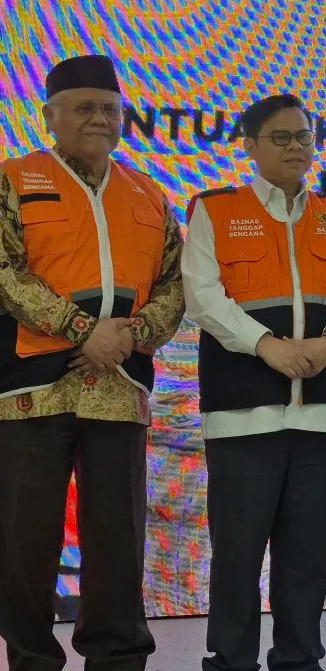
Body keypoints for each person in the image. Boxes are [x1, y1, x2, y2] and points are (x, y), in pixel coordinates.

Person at [0, 54, 184, 671]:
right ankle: (31, 660)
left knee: (118, 538)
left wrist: (129, 337)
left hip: (118, 384)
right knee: (25, 539)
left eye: (109, 108)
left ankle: (117, 659)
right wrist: (82, 330)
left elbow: (173, 284)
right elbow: (4, 272)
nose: (100, 118)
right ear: (50, 115)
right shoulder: (12, 180)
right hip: (31, 388)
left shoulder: (149, 193)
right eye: (84, 108)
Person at [182, 93, 326, 671]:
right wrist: (268, 345)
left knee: (306, 556)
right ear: (251, 145)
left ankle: (299, 659)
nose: (296, 147)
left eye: (304, 137)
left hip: (316, 410)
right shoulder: (215, 209)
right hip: (242, 411)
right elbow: (202, 297)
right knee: (237, 554)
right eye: (281, 137)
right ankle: (231, 661)